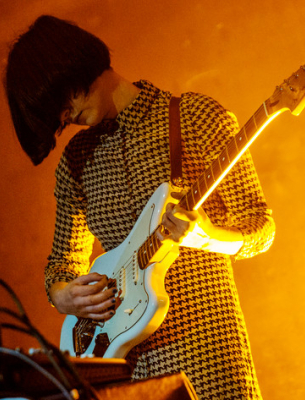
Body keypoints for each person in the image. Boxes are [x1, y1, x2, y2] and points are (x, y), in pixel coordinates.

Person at [5, 15, 276, 399]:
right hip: (123, 369)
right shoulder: (75, 163)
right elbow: (62, 265)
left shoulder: (195, 116)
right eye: (55, 115)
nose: (63, 117)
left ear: (74, 65)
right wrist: (63, 295)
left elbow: (261, 227)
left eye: (60, 99)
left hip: (207, 353)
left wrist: (208, 237)